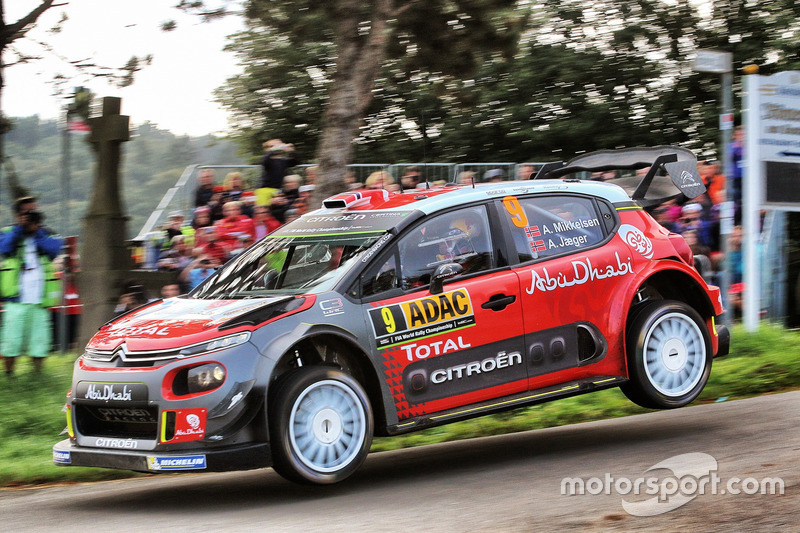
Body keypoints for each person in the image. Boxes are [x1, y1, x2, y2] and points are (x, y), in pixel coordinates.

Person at [0, 197, 62, 375]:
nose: (31, 215)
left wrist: (37, 233)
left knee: (39, 342)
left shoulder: (44, 233)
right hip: (15, 301)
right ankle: (9, 375)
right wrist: (20, 229)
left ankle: (37, 375)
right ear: (18, 215)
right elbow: (4, 248)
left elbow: (56, 248)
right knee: (11, 341)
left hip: (39, 301)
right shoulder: (9, 232)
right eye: (27, 212)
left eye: (34, 211)